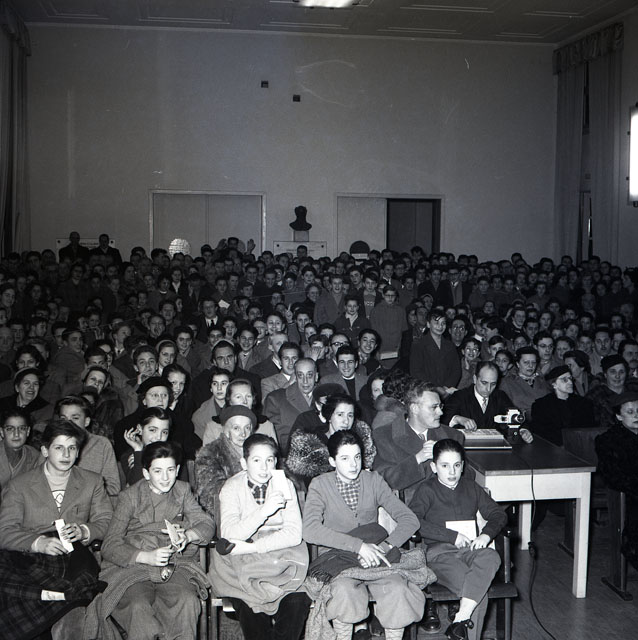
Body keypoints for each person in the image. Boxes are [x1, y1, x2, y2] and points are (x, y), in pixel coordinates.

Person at [303, 430, 426, 640]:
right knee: (344, 592)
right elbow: (310, 529)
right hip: (338, 559)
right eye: (345, 458)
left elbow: (410, 519)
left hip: (376, 556)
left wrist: (386, 546)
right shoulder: (320, 485)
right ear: (332, 461)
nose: (353, 464)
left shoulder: (373, 480)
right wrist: (358, 546)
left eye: (357, 457)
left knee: (398, 588)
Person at [0, 419, 112, 640]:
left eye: (72, 448)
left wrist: (85, 531)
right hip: (30, 558)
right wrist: (37, 543)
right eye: (59, 447)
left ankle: (64, 605)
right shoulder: (19, 486)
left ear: (78, 452)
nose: (66, 454)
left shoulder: (92, 481)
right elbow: (4, 531)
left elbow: (107, 520)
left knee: (74, 613)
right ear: (45, 450)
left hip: (74, 557)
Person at [95, 441, 214, 640]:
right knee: (138, 605)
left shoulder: (182, 491)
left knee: (187, 600)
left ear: (178, 470)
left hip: (174, 565)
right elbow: (110, 544)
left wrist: (188, 535)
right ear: (146, 473)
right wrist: (145, 556)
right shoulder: (130, 497)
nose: (165, 478)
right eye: (157, 471)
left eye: (170, 470)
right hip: (134, 566)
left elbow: (206, 523)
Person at [209, 434, 310, 640]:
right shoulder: (231, 487)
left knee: (298, 601)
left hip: (280, 559)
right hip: (241, 566)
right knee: (251, 610)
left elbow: (293, 534)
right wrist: (264, 511)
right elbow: (229, 534)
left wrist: (252, 547)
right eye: (256, 460)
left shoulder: (284, 484)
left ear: (276, 461)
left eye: (269, 460)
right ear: (243, 463)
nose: (264, 467)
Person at [409, 439, 506, 640]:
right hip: (441, 554)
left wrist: (486, 534)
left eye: (456, 465)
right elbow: (413, 521)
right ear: (434, 467)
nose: (452, 471)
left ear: (463, 465)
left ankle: (461, 619)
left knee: (491, 556)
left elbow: (498, 514)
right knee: (475, 589)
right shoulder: (427, 490)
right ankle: (465, 630)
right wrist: (451, 536)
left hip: (471, 549)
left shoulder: (471, 487)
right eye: (445, 466)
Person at [286, 393, 376, 485]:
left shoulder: (360, 442)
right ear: (329, 416)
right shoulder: (311, 446)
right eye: (340, 415)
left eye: (350, 415)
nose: (346, 421)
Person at [595, 392, 638, 571]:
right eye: (630, 412)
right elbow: (612, 476)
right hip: (630, 495)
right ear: (619, 416)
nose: (636, 416)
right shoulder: (608, 440)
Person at [195, 405, 257, 521]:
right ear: (225, 430)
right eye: (236, 428)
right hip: (226, 517)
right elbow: (211, 497)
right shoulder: (210, 453)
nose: (243, 434)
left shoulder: (258, 450)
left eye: (247, 428)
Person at [530, 365, 595, 446]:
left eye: (570, 378)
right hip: (553, 448)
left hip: (580, 447)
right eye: (564, 380)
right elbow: (540, 434)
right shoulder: (541, 406)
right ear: (554, 384)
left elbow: (589, 431)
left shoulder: (584, 404)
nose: (570, 382)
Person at [443, 361, 514, 430]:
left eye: (493, 384)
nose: (488, 389)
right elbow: (443, 420)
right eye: (484, 383)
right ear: (475, 379)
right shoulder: (459, 396)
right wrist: (457, 419)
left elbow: (514, 418)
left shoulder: (501, 397)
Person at [409, 310, 461, 393]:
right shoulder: (418, 345)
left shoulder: (450, 345)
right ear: (428, 324)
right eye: (436, 323)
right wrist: (435, 388)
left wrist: (446, 387)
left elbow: (456, 370)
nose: (440, 326)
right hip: (427, 390)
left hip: (447, 390)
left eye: (443, 323)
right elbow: (416, 371)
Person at [0, 408, 40, 490]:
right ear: (2, 432)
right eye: (10, 429)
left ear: (28, 431)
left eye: (22, 428)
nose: (16, 434)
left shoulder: (35, 456)